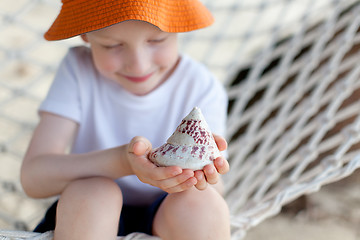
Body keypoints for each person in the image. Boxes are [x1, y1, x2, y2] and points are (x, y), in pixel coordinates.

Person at [20, 1, 231, 239]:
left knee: (201, 203)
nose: (139, 65)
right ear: (86, 36)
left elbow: (216, 189)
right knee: (94, 193)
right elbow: (33, 178)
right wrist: (123, 162)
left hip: (171, 215)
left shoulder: (201, 86)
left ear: (178, 26)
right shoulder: (79, 70)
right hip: (86, 219)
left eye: (157, 40)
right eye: (113, 45)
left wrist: (201, 174)